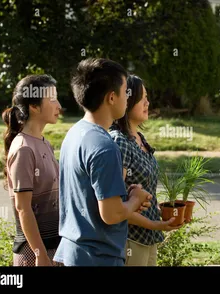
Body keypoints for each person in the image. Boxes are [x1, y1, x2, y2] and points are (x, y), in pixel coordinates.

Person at [53, 58, 152, 267]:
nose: (128, 98)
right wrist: (135, 199)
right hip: (98, 257)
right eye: (126, 91)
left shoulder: (74, 133)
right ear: (111, 97)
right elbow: (111, 214)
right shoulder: (104, 146)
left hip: (73, 253)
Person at [109, 75, 182, 266]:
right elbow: (116, 205)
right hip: (131, 240)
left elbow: (144, 193)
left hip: (149, 239)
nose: (147, 103)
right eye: (142, 98)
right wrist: (156, 224)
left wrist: (163, 212)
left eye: (147, 97)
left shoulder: (140, 139)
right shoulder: (119, 141)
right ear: (127, 100)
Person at [2, 74, 63, 266]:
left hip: (54, 249)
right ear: (34, 106)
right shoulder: (23, 149)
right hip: (34, 255)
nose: (59, 105)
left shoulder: (44, 143)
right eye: (52, 99)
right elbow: (23, 207)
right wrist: (40, 254)